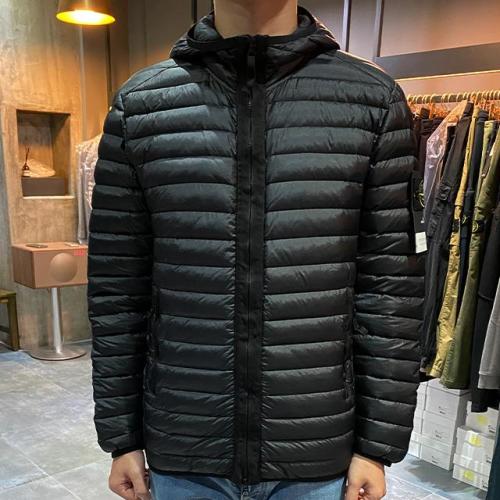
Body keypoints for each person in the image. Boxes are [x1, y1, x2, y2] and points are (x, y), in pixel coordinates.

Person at [86, 1, 425, 499]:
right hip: (184, 449)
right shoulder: (141, 106)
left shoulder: (373, 101)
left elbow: (390, 293)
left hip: (316, 453)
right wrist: (122, 438)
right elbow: (118, 292)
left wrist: (375, 446)